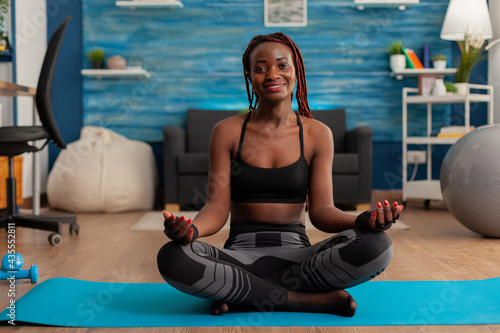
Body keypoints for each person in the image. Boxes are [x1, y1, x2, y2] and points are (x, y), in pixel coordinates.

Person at [157, 32, 403, 317]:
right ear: (249, 77)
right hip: (239, 257)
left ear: (296, 72)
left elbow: (322, 211)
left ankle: (244, 294)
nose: (272, 74)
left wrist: (363, 220)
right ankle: (304, 300)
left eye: (282, 65)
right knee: (173, 256)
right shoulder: (226, 131)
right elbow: (216, 207)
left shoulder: (317, 134)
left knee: (378, 245)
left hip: (299, 258)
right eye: (260, 68)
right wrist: (192, 231)